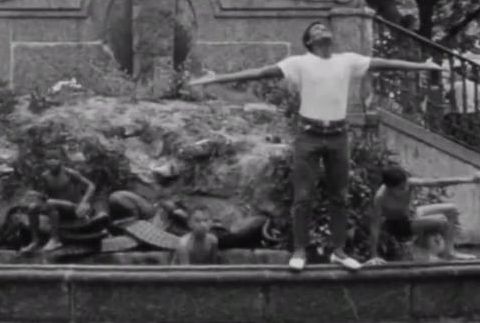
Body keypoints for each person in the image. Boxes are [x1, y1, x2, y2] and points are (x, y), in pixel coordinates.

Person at [189, 20, 440, 272]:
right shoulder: (299, 63)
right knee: (303, 197)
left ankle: (339, 252)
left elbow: (384, 64)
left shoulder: (348, 60)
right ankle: (299, 251)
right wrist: (217, 78)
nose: (323, 30)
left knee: (339, 196)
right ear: (309, 41)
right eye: (316, 30)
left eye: (324, 27)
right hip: (308, 135)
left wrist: (422, 66)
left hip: (338, 135)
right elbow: (261, 72)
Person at [365, 165, 480, 265]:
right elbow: (374, 226)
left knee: (451, 209)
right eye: (401, 188)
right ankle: (427, 249)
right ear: (390, 188)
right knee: (441, 222)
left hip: (412, 215)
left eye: (406, 184)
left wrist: (470, 179)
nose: (406, 188)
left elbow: (437, 183)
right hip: (399, 226)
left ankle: (449, 252)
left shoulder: (409, 183)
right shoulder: (380, 198)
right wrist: (373, 256)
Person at [20, 150, 97, 253]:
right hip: (55, 208)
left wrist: (84, 202)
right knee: (32, 207)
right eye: (49, 159)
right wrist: (36, 195)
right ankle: (35, 241)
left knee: (51, 203)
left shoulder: (70, 173)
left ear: (61, 161)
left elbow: (91, 186)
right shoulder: (45, 176)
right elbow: (45, 197)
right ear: (45, 162)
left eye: (55, 159)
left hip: (73, 207)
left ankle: (55, 240)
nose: (52, 162)